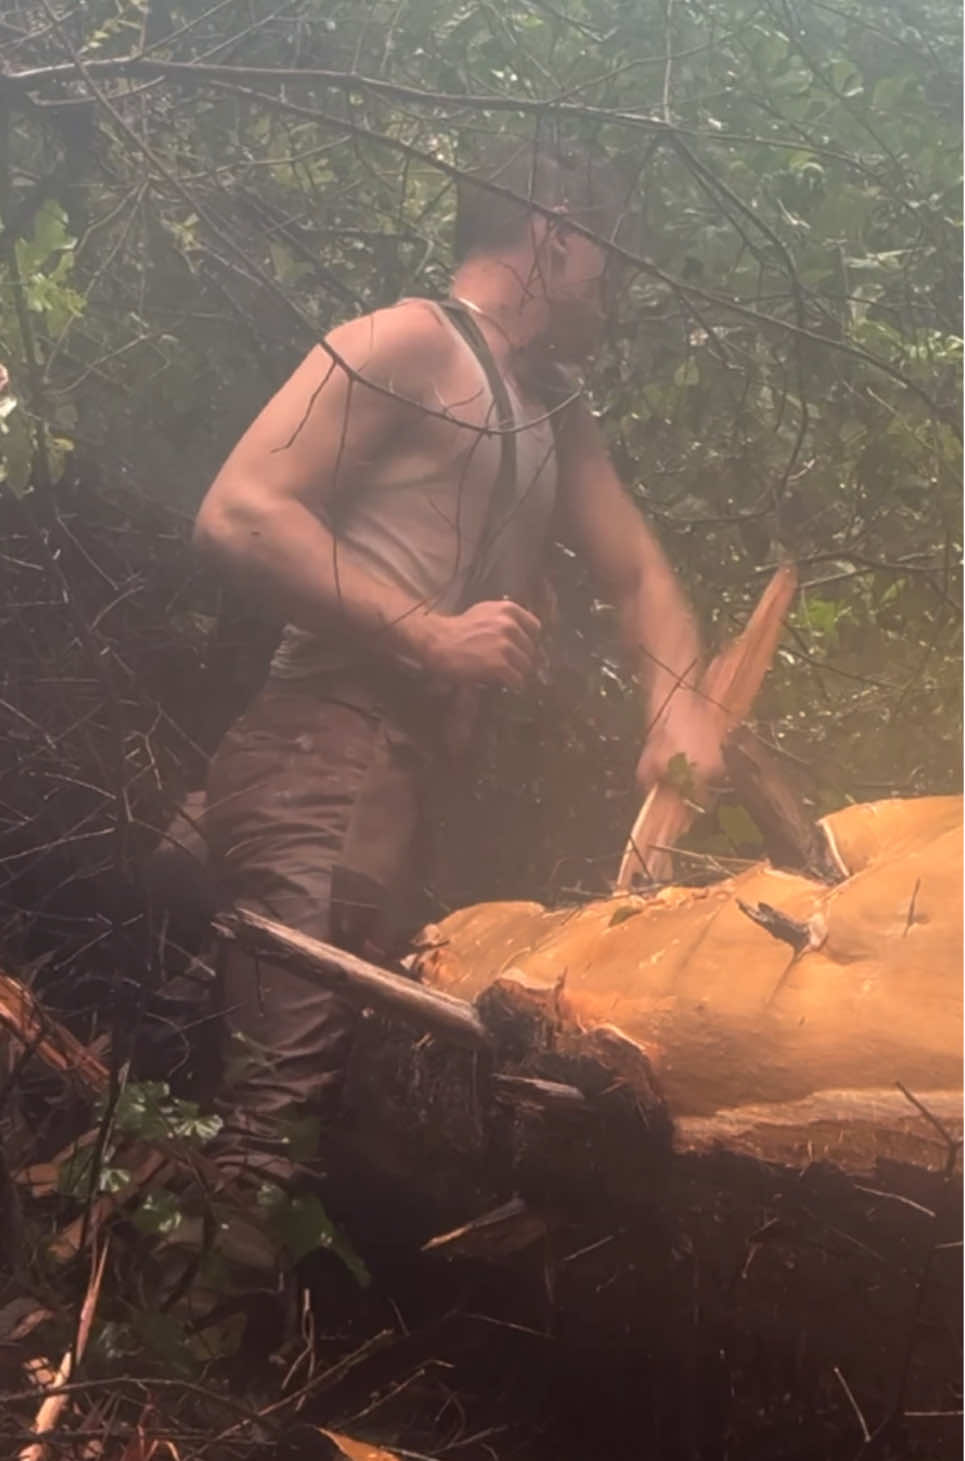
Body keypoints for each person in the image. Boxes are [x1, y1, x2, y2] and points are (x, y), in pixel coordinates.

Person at [192, 139, 725, 1189]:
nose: (613, 287)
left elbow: (644, 581)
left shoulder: (557, 413)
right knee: (274, 1137)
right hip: (324, 759)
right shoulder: (407, 341)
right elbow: (240, 510)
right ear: (554, 233)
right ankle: (147, 1341)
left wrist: (681, 712)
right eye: (605, 256)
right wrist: (430, 633)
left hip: (408, 788)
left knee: (351, 1130)